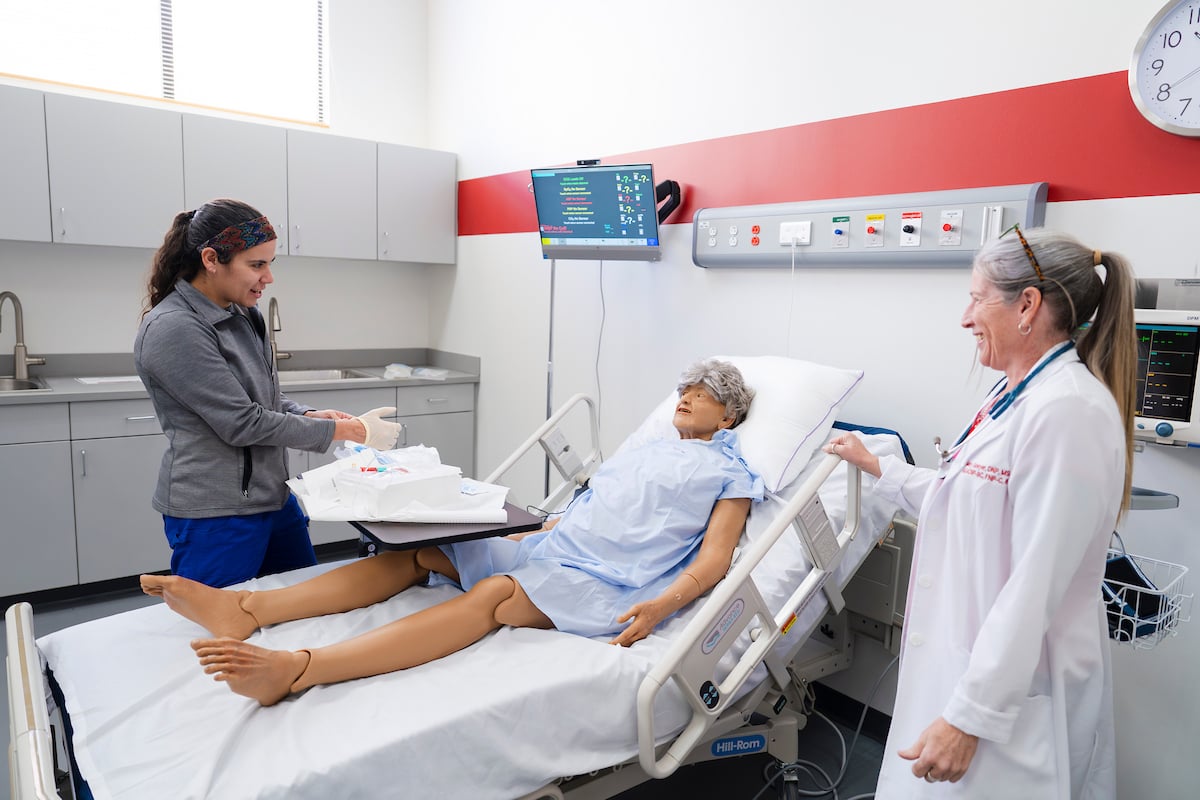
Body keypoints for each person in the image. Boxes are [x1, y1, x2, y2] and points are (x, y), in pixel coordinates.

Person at [140, 358, 765, 706]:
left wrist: (661, 605)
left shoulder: (729, 470)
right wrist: (533, 531)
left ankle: (300, 669)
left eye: (703, 391)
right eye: (683, 385)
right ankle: (246, 608)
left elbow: (712, 560)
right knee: (422, 552)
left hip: (604, 583)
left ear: (730, 413)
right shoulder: (644, 449)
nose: (685, 394)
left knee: (490, 596)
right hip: (558, 547)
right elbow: (594, 507)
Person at [825, 226, 1134, 799]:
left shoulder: (1069, 412)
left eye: (976, 297)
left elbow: (1034, 584)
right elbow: (965, 501)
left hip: (1015, 696)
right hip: (969, 667)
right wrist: (879, 467)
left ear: (1027, 305)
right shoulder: (1011, 396)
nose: (965, 318)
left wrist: (969, 717)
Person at [135, 199, 402, 588]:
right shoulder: (174, 328)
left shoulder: (245, 315)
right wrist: (344, 433)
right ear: (211, 259)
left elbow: (263, 401)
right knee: (220, 631)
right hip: (218, 515)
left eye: (269, 264)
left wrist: (311, 416)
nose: (269, 277)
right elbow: (240, 423)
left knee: (302, 610)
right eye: (257, 265)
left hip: (274, 500)